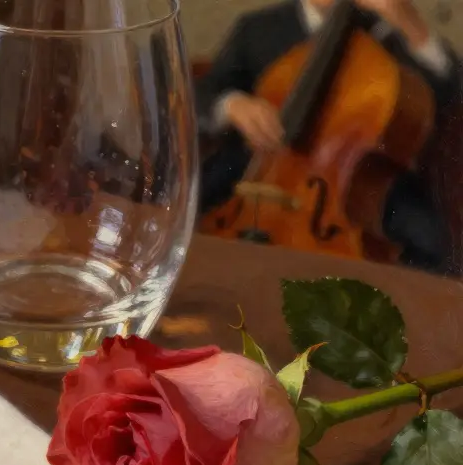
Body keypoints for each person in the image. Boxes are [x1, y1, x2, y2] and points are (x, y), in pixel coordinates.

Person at [197, 0, 460, 272]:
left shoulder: (390, 35)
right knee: (189, 207)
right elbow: (199, 95)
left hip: (356, 184)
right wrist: (232, 105)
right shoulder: (258, 28)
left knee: (433, 240)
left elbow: (451, 100)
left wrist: (413, 28)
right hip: (258, 172)